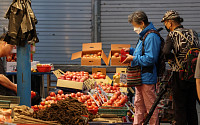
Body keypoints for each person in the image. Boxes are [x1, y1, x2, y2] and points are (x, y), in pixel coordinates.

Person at [123, 11, 161, 125]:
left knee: (151, 107)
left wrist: (133, 58)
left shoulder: (152, 36)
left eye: (135, 25)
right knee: (138, 105)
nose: (134, 28)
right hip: (140, 77)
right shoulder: (144, 35)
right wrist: (131, 51)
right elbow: (141, 53)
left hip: (147, 77)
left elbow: (150, 59)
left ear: (142, 23)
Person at [161, 10, 198, 125]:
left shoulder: (172, 34)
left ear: (170, 23)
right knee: (191, 106)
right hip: (194, 73)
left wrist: (172, 59)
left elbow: (166, 52)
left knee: (180, 106)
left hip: (180, 74)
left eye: (165, 23)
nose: (165, 26)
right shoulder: (193, 33)